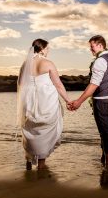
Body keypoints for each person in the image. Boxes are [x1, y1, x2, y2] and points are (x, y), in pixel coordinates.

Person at [68, 35, 108, 167]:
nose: (90, 50)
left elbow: (94, 84)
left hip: (102, 103)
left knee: (105, 133)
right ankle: (104, 159)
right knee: (105, 131)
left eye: (92, 47)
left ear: (100, 45)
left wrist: (79, 101)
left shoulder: (100, 61)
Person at [17, 39, 70, 170]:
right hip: (45, 102)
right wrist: (68, 101)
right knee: (45, 132)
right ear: (41, 49)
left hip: (29, 103)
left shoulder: (25, 64)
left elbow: (21, 85)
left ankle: (28, 161)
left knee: (30, 130)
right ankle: (41, 164)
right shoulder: (48, 63)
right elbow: (58, 84)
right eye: (47, 48)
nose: (48, 51)